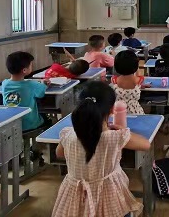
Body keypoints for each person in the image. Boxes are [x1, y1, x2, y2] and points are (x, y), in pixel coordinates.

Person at [52, 81, 150, 217]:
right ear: (112, 110)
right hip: (109, 196)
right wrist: (123, 130)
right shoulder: (116, 137)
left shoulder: (68, 134)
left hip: (75, 197)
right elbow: (146, 144)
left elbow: (59, 153)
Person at [2, 51, 51, 132]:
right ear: (24, 70)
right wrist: (45, 84)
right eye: (31, 65)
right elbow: (41, 93)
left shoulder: (5, 84)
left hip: (12, 125)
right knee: (47, 118)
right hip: (30, 124)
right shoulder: (31, 85)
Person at [109, 50, 148, 115]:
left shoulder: (114, 80)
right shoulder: (139, 80)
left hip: (118, 112)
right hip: (135, 112)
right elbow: (138, 76)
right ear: (135, 65)